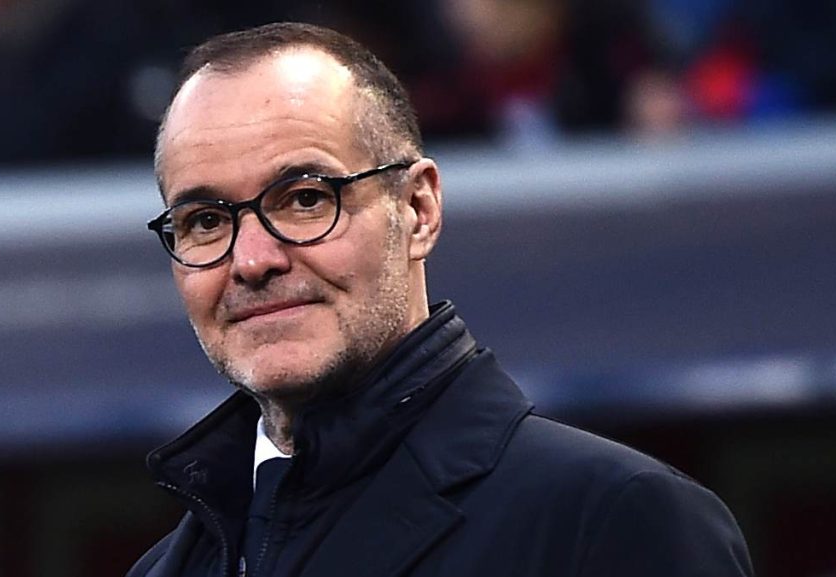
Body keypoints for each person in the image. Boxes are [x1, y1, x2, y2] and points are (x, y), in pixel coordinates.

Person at [130, 22, 754, 577]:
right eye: (205, 221)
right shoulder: (164, 570)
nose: (251, 260)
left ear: (418, 209)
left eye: (305, 200)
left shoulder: (611, 518)